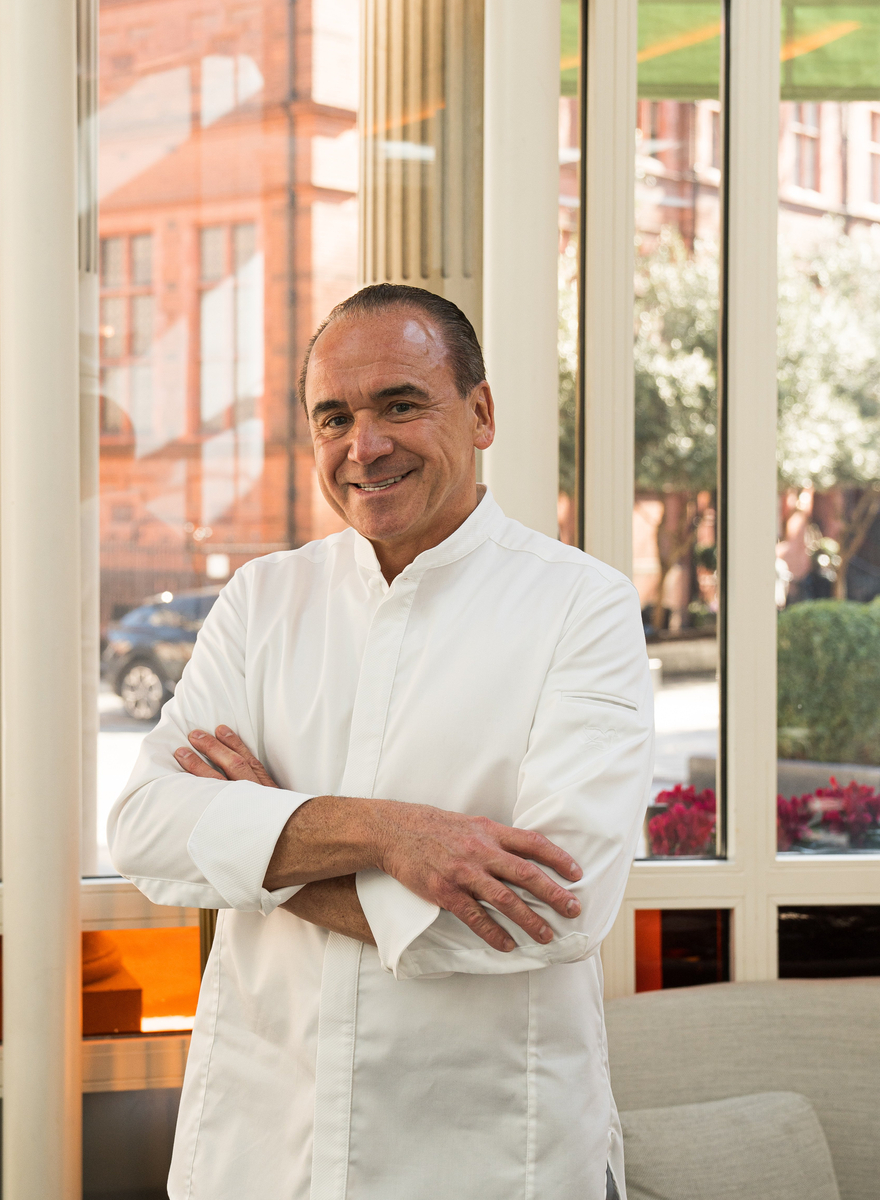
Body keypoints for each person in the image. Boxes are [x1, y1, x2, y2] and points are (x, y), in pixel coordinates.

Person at [108, 283, 654, 1200]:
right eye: (335, 416)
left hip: (488, 1160)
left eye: (401, 403)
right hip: (260, 1150)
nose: (365, 445)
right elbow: (146, 831)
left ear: (480, 413)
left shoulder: (581, 607)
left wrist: (258, 844)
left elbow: (555, 908)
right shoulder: (260, 600)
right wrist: (389, 834)